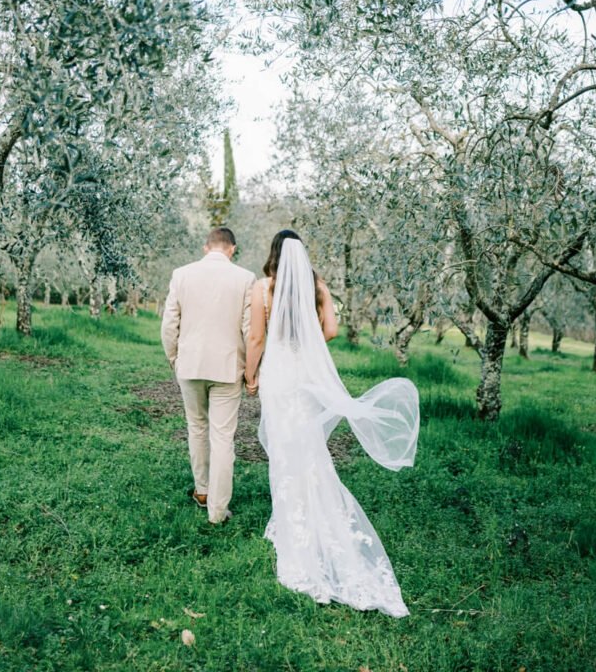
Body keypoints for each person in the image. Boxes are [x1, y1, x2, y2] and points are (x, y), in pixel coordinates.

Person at [245, 229, 419, 614]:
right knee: (309, 449)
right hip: (304, 376)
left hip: (277, 376)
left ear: (274, 253)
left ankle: (291, 522)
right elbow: (332, 330)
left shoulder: (263, 289)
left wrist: (251, 374)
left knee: (284, 449)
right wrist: (306, 347)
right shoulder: (316, 285)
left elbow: (257, 338)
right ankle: (310, 514)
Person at [161, 226, 256, 525]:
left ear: (206, 248)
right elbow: (249, 330)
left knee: (197, 428)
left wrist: (174, 358)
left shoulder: (182, 274)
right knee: (223, 437)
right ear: (232, 249)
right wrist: (251, 372)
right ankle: (217, 511)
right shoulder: (245, 278)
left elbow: (169, 324)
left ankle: (202, 490)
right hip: (228, 369)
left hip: (190, 365)